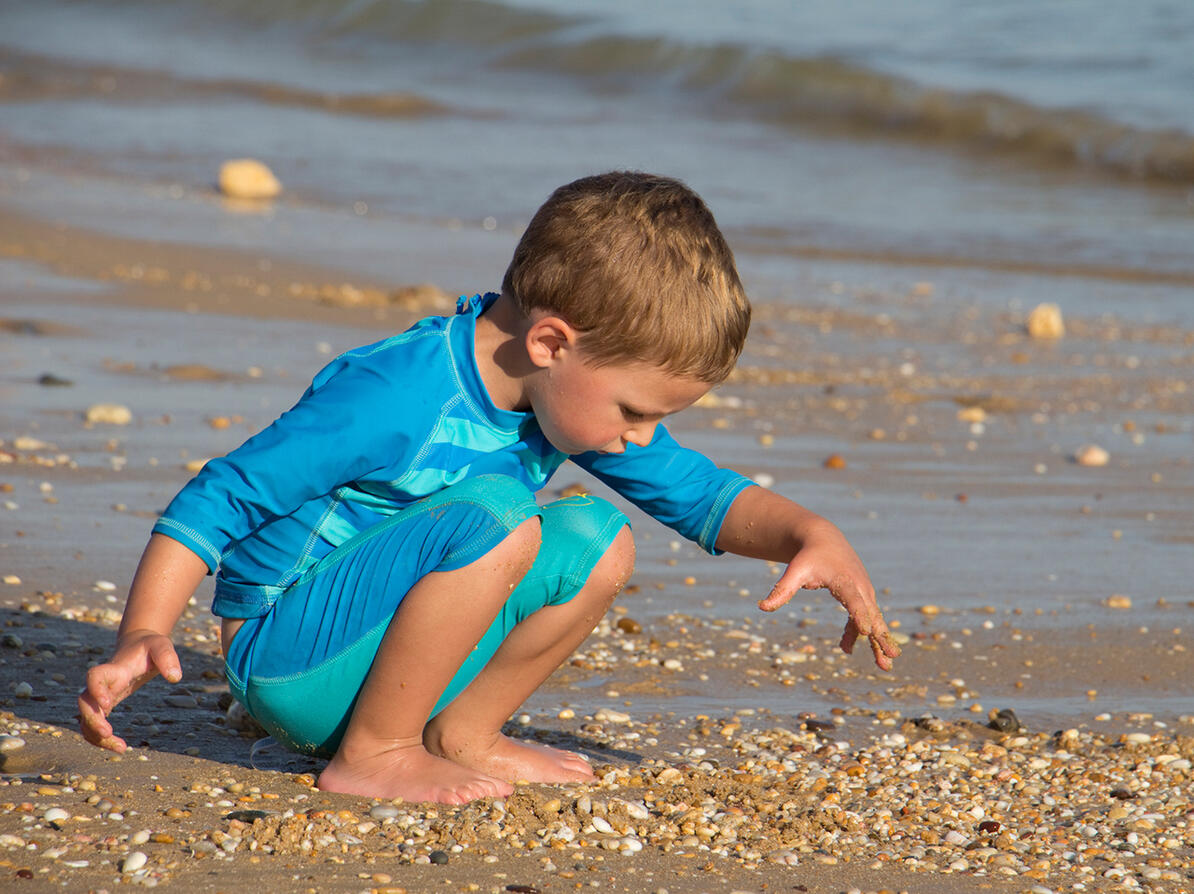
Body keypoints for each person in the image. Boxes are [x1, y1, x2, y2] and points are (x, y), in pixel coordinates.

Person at [78, 171, 899, 805]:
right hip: (288, 657)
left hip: (380, 662)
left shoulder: (562, 398)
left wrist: (807, 535)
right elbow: (224, 495)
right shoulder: (397, 393)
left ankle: (461, 732)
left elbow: (700, 494)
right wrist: (144, 630)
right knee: (500, 516)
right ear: (551, 341)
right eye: (634, 411)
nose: (639, 436)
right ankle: (372, 754)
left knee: (597, 539)